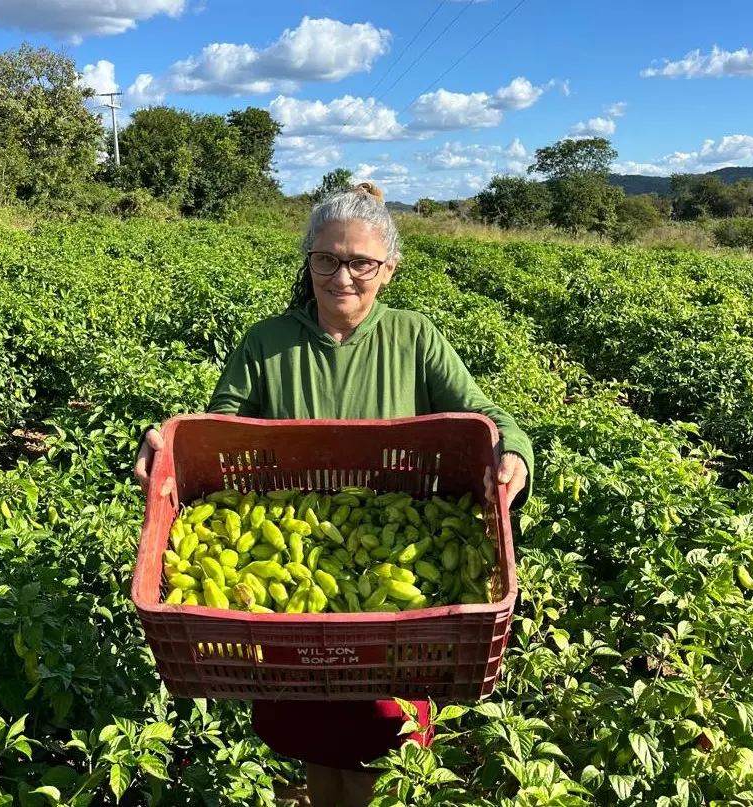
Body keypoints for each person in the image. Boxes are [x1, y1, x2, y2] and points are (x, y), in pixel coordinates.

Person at [134, 182, 533, 807]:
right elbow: (217, 434)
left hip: (393, 618)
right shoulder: (267, 342)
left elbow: (484, 414)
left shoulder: (414, 337)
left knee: (382, 734)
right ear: (308, 261)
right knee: (312, 733)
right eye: (327, 260)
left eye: (361, 263)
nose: (342, 275)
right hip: (295, 610)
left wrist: (512, 453)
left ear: (389, 270)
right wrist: (166, 448)